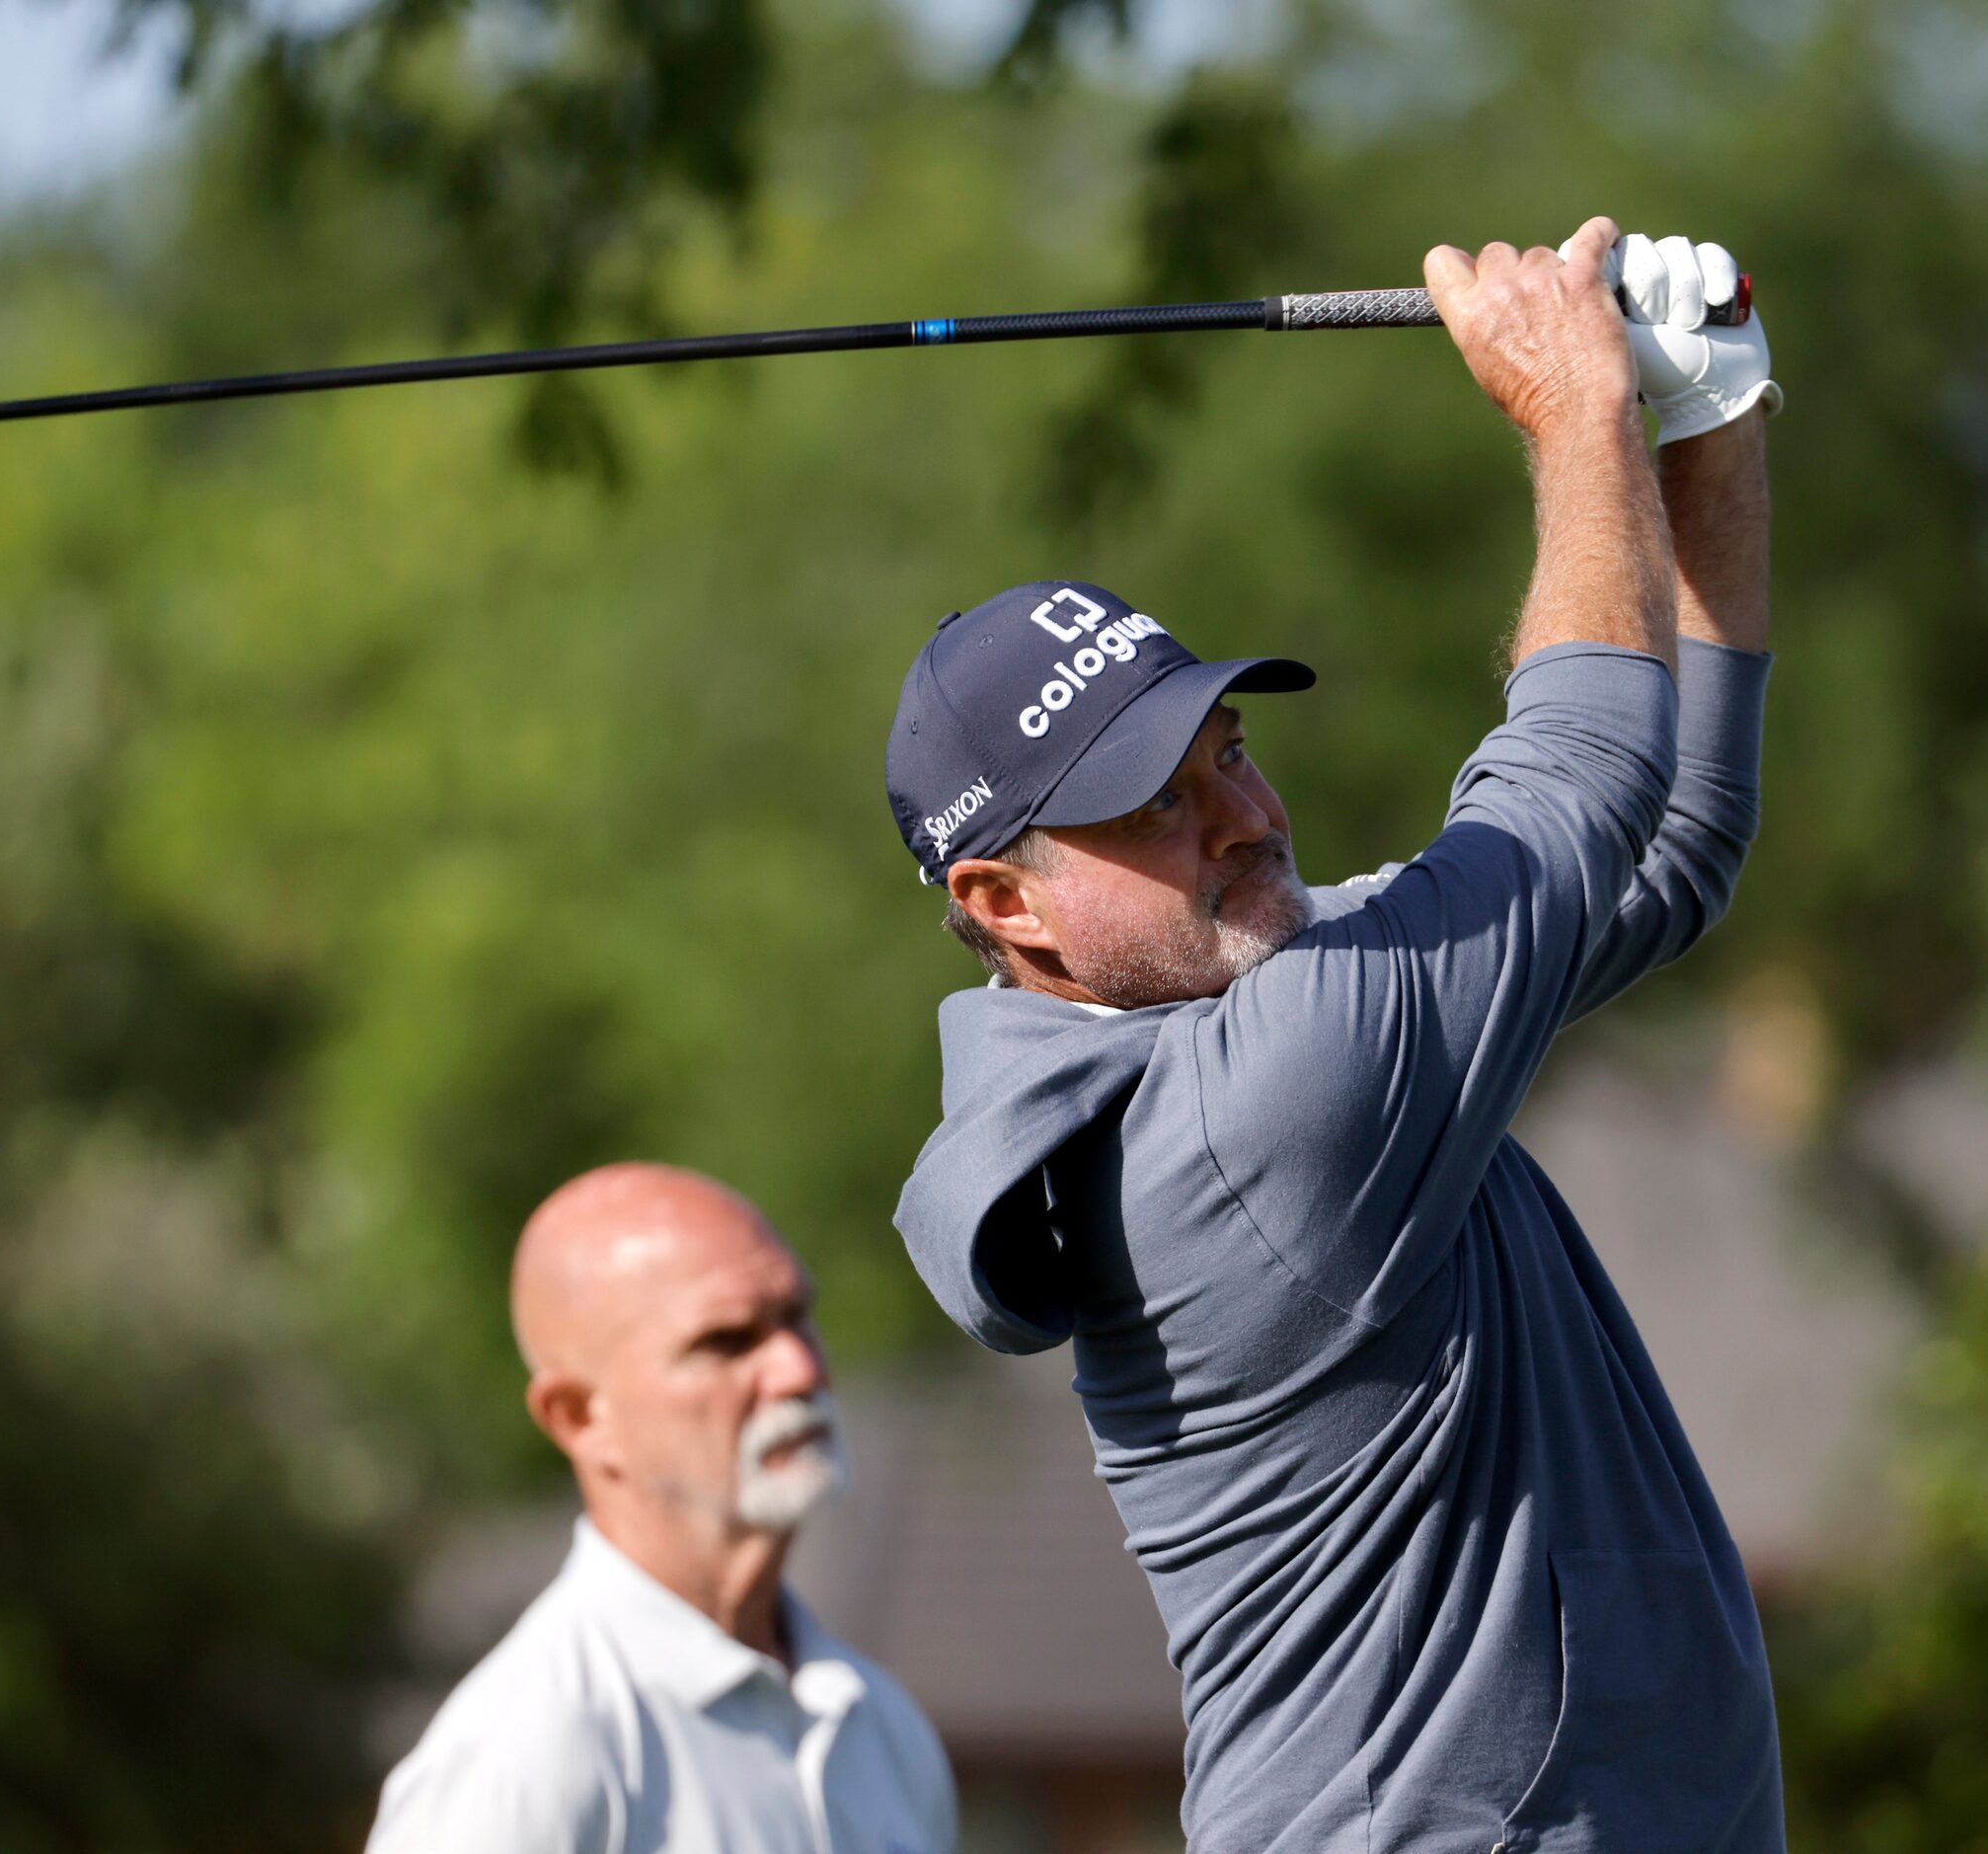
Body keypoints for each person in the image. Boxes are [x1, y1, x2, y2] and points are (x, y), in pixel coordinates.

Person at [883, 219, 1785, 1852]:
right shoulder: (1260, 1115)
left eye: (1223, 748)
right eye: (1152, 803)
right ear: (1000, 900)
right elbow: (1576, 779)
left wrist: (1707, 412)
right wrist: (1575, 411)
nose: (1241, 813)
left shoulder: (1266, 1015)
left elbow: (1666, 848)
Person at [367, 1162, 956, 1854]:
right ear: (581, 1417)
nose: (799, 1368)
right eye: (726, 1341)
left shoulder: (881, 1727)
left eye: (797, 1316)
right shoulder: (526, 1755)